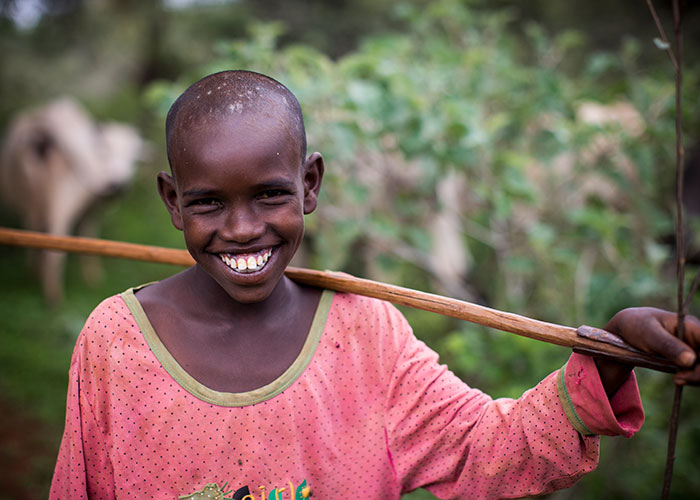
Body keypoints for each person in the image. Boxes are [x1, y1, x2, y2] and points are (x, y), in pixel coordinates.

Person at [49, 70, 700, 500]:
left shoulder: (366, 333)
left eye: (270, 195)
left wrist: (610, 354)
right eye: (209, 203)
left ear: (309, 184)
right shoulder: (116, 342)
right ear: (171, 199)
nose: (242, 229)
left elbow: (490, 448)